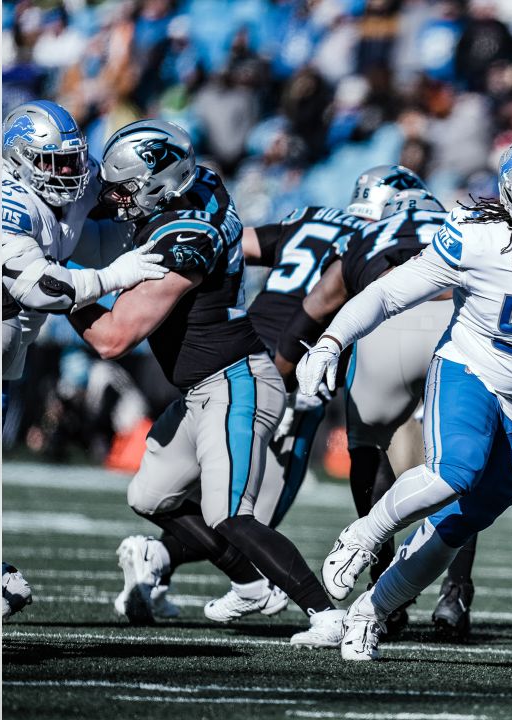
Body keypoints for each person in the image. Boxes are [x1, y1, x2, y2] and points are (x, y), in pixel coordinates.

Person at [294, 133, 512, 661]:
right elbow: (390, 291)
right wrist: (330, 342)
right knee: (455, 470)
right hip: (471, 371)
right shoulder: (475, 238)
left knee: (459, 524)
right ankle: (365, 533)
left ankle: (371, 610)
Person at [66, 119, 347, 647]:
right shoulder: (202, 184)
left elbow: (112, 338)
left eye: (128, 188)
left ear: (159, 185)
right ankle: (249, 584)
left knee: (230, 517)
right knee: (151, 496)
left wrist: (57, 285)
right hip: (201, 388)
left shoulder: (185, 240)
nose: (118, 198)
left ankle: (326, 614)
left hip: (236, 381)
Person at [151, 167, 415, 623]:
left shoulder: (313, 218)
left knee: (217, 493)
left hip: (244, 345)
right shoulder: (380, 239)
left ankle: (166, 560)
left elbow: (235, 243)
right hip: (294, 362)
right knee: (253, 514)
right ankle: (163, 558)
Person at [1, 99, 168, 620]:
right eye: (55, 163)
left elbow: (100, 222)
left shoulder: (75, 181)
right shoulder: (3, 201)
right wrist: (116, 276)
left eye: (74, 160)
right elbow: (42, 285)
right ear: (19, 159)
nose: (71, 174)